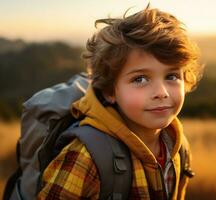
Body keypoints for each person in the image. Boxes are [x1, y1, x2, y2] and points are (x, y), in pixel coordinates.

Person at [37, 4, 202, 200]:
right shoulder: (86, 157)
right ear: (109, 90)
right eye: (140, 79)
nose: (161, 92)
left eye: (172, 76)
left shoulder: (177, 144)